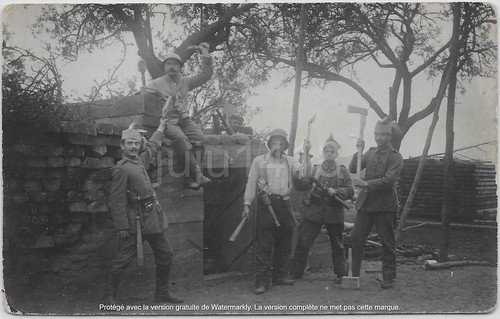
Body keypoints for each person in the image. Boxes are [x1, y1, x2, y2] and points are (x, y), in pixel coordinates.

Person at [104, 118, 184, 304]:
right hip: (136, 222)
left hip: (153, 219)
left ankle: (161, 293)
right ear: (122, 145)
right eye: (129, 143)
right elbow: (116, 201)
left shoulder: (140, 160)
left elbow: (154, 146)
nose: (133, 146)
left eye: (136, 143)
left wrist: (161, 127)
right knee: (122, 260)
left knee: (166, 254)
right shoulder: (120, 169)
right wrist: (122, 226)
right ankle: (108, 296)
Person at [242, 128, 307, 295]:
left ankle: (280, 276)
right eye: (274, 142)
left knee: (284, 242)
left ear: (285, 145)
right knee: (264, 244)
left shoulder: (290, 161)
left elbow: (303, 171)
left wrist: (305, 155)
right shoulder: (259, 161)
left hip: (284, 204)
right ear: (269, 144)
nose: (277, 145)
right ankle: (262, 282)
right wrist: (247, 204)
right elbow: (251, 183)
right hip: (266, 204)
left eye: (281, 143)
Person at [141, 42, 213, 190]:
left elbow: (205, 75)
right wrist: (146, 93)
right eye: (168, 64)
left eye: (175, 64)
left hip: (184, 119)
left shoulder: (185, 82)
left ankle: (188, 178)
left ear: (180, 67)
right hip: (168, 122)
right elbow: (142, 96)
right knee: (180, 138)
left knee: (200, 138)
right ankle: (197, 174)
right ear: (164, 68)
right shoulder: (155, 83)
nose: (172, 67)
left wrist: (205, 53)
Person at [348, 116, 404, 289]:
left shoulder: (396, 157)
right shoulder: (370, 152)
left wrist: (366, 183)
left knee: (387, 242)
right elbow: (352, 168)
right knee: (356, 238)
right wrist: (358, 150)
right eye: (376, 134)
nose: (379, 138)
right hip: (366, 205)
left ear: (389, 136)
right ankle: (352, 274)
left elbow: (388, 180)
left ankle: (388, 277)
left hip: (385, 206)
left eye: (383, 135)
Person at [291, 134, 354, 283]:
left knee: (338, 245)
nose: (329, 153)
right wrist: (297, 176)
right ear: (322, 152)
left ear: (337, 153)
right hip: (314, 211)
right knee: (303, 242)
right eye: (326, 150)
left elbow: (350, 190)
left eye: (332, 150)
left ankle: (341, 274)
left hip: (334, 212)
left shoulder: (343, 171)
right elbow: (301, 186)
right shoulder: (313, 169)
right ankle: (296, 273)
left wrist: (337, 192)